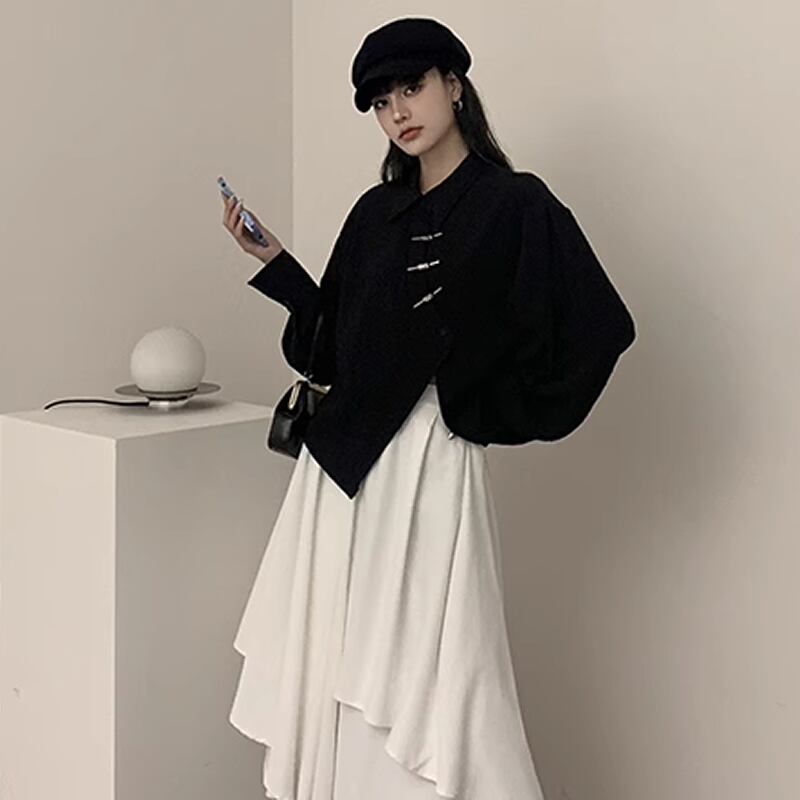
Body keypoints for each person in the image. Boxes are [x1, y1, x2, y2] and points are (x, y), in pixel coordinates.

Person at [221, 16, 635, 800]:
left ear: (454, 85)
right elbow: (330, 352)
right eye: (382, 102)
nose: (399, 112)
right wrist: (276, 264)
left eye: (411, 88)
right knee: (336, 669)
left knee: (437, 675)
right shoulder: (374, 215)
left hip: (431, 467)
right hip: (337, 478)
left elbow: (598, 330)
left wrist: (485, 413)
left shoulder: (514, 205)